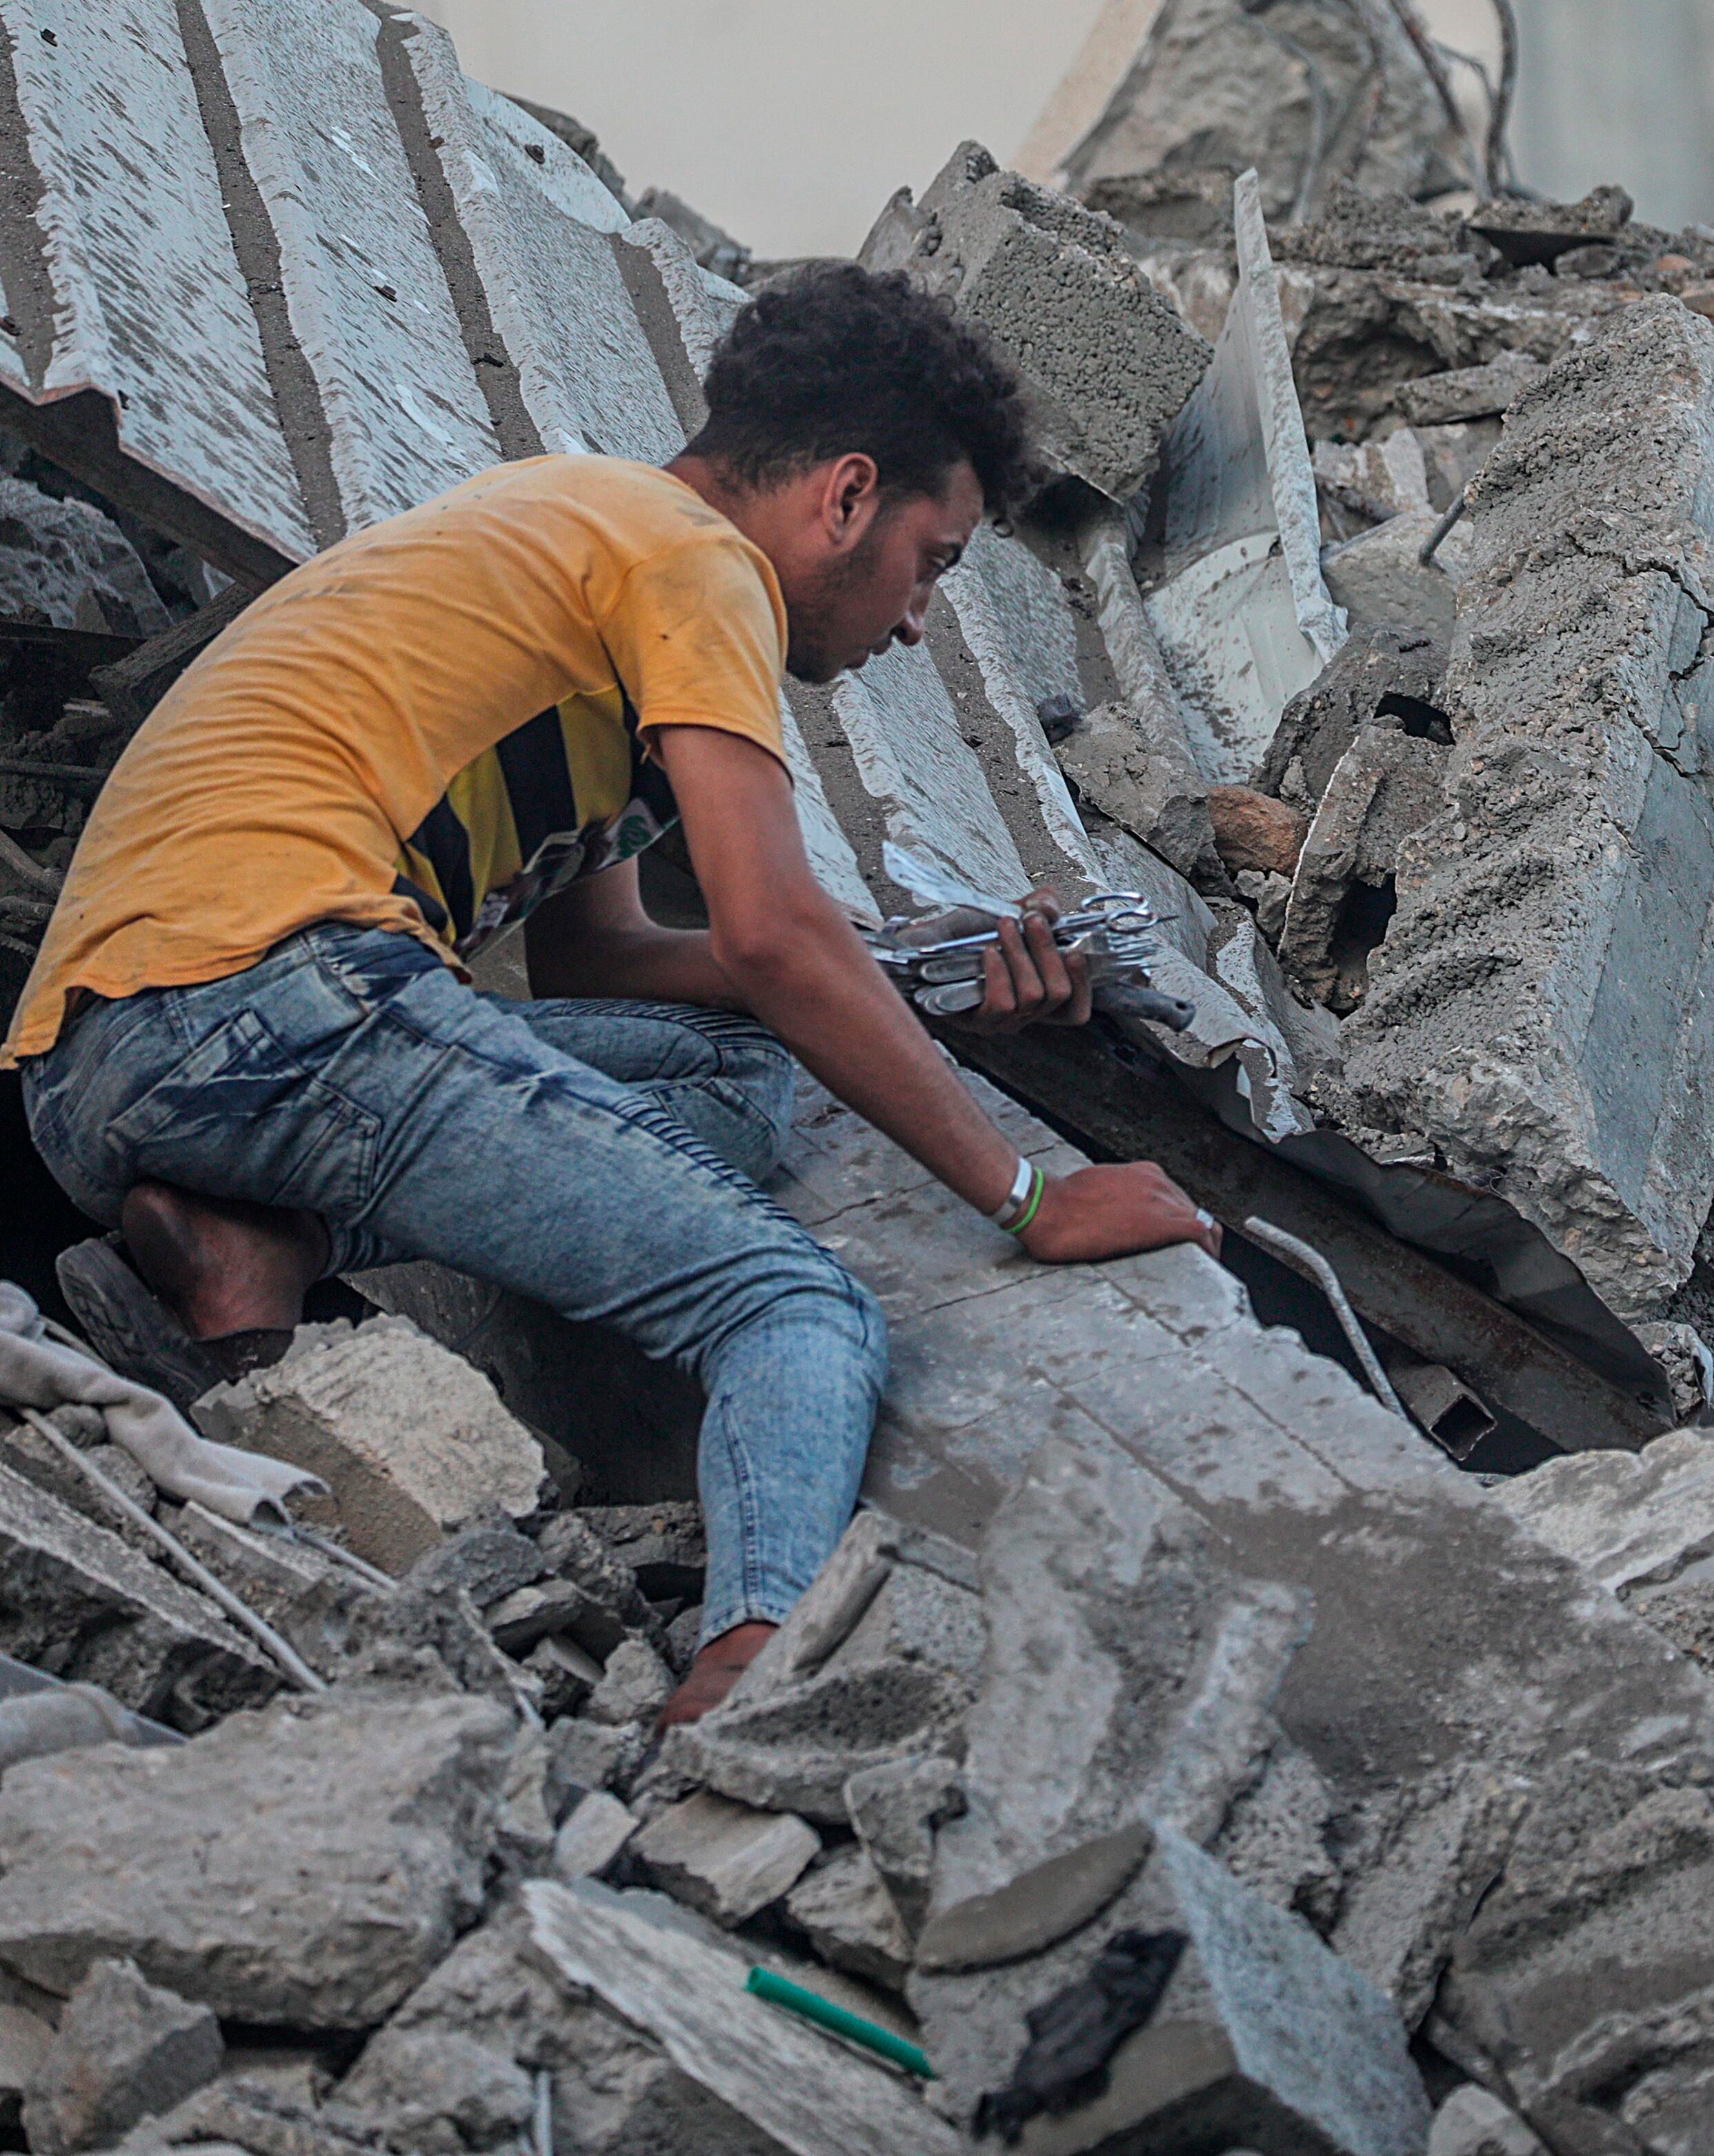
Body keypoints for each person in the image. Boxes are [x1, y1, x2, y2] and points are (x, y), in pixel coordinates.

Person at [8, 264, 1220, 1725]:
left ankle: (245, 1233)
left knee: (735, 1070)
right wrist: (1028, 1194)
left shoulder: (585, 541)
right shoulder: (690, 560)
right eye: (933, 559)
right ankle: (744, 1668)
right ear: (844, 495)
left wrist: (921, 981)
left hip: (115, 1056)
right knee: (794, 1305)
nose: (915, 621)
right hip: (271, 989)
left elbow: (610, 964)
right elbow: (773, 930)